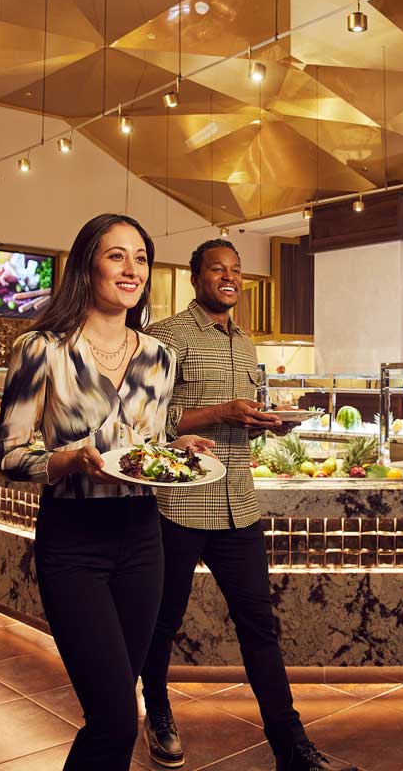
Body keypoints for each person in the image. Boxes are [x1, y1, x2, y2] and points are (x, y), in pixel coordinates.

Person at [0, 214, 213, 771]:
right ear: (86, 265)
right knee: (116, 718)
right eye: (116, 256)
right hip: (73, 544)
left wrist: (174, 449)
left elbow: (143, 447)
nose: (131, 269)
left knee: (114, 716)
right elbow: (11, 455)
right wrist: (69, 460)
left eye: (140, 258)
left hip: (143, 541)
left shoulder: (160, 357)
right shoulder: (40, 349)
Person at [141, 239, 357, 771]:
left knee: (260, 626)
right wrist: (220, 412)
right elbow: (147, 421)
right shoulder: (166, 336)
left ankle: (292, 748)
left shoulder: (246, 341)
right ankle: (158, 712)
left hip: (239, 503)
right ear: (196, 277)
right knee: (162, 621)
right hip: (179, 504)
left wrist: (263, 422)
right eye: (218, 269)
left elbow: (241, 419)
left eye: (236, 270)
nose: (229, 278)